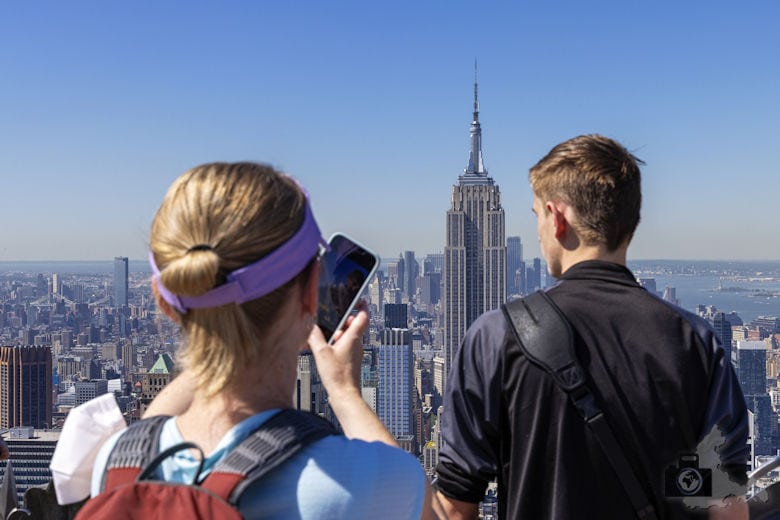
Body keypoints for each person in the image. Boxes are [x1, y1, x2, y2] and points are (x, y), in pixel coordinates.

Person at [88, 162, 436, 519]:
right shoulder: (370, 483)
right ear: (311, 292)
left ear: (166, 304)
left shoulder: (117, 465)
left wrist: (219, 331)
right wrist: (343, 391)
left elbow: (151, 425)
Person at [434, 135, 749, 519]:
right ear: (630, 221)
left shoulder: (496, 337)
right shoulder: (696, 343)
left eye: (538, 216)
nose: (538, 234)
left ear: (558, 218)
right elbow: (724, 509)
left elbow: (453, 507)